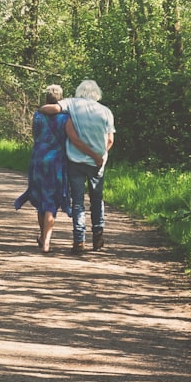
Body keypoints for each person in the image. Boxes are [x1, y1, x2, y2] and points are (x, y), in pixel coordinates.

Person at [14, 85, 99, 253]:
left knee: (41, 200)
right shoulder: (66, 118)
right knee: (51, 201)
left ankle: (43, 236)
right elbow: (72, 138)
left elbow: (35, 135)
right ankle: (46, 241)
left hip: (38, 159)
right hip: (57, 162)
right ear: (61, 99)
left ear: (46, 98)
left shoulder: (38, 115)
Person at [42, 79, 114, 255]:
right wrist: (99, 156)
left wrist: (41, 109)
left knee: (78, 203)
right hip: (98, 163)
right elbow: (110, 139)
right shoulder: (106, 111)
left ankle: (79, 241)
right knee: (97, 199)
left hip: (75, 161)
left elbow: (52, 109)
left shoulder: (72, 103)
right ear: (97, 93)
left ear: (79, 91)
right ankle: (98, 236)